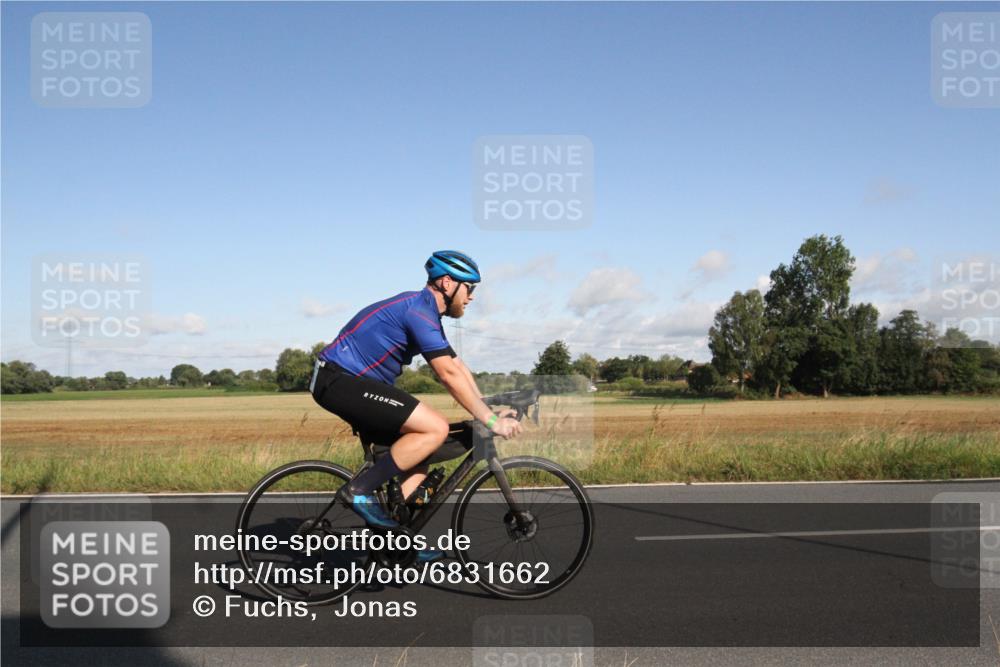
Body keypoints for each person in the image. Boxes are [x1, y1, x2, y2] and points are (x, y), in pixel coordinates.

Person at [310, 250, 523, 553]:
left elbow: (457, 365)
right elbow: (448, 375)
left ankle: (397, 543)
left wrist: (486, 407)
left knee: (420, 455)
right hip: (339, 380)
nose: (472, 297)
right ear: (448, 283)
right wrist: (491, 421)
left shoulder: (426, 313)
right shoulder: (419, 313)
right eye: (470, 288)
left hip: (353, 383)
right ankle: (359, 491)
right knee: (434, 428)